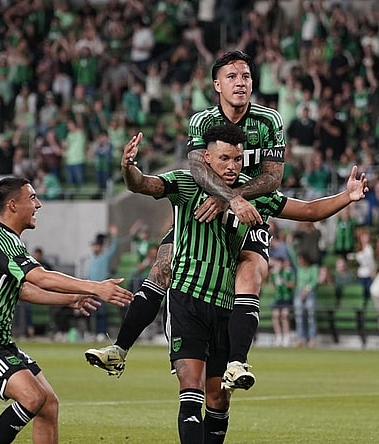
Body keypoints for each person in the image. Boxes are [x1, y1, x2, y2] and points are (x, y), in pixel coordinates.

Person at [117, 124, 367, 442]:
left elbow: (307, 211)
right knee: (190, 387)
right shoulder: (186, 181)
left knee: (218, 399)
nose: (232, 166)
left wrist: (348, 196)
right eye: (224, 158)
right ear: (206, 157)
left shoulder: (253, 193)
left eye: (237, 159)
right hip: (186, 300)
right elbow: (144, 185)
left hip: (225, 307)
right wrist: (128, 169)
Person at [86, 50, 288, 389]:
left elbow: (272, 178)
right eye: (232, 77)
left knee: (250, 272)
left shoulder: (269, 121)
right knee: (161, 267)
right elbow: (195, 169)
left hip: (247, 214)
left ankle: (237, 362)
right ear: (216, 84)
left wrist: (236, 200)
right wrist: (228, 198)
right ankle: (120, 349)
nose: (240, 83)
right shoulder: (201, 121)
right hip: (204, 211)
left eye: (246, 76)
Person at [0, 177, 132, 444]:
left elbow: (22, 290)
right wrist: (95, 287)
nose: (38, 204)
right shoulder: (3, 242)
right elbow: (40, 277)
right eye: (32, 198)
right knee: (33, 398)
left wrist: (70, 299)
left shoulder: (1, 240)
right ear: (13, 205)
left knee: (48, 404)